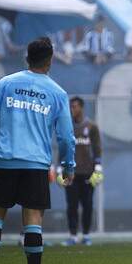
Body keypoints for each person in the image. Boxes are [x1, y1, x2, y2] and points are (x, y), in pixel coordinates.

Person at [0, 37, 75, 264]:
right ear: (50, 60)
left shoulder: (6, 83)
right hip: (36, 164)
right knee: (33, 221)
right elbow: (65, 137)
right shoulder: (57, 93)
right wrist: (68, 165)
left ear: (27, 57)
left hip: (5, 160)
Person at [59, 97, 103, 246]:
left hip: (87, 172)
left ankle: (86, 235)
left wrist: (98, 167)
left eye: (75, 106)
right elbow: (63, 146)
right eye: (71, 107)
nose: (73, 109)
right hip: (71, 172)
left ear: (82, 108)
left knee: (88, 205)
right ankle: (72, 235)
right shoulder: (67, 126)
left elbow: (97, 148)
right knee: (71, 205)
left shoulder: (91, 126)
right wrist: (60, 167)